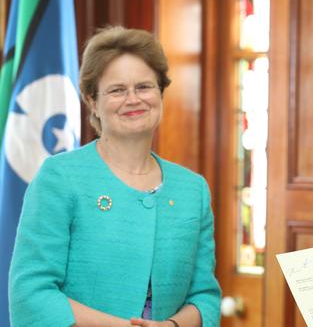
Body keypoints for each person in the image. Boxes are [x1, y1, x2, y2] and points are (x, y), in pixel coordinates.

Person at [9, 26, 222, 327]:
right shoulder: (59, 178)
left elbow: (205, 297)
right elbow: (31, 293)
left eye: (144, 87)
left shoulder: (193, 190)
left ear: (161, 92)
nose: (133, 99)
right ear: (93, 101)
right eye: (117, 90)